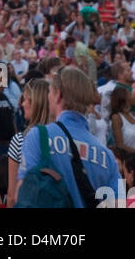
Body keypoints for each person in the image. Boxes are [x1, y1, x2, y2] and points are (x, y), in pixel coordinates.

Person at [17, 66, 117, 208]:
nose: (48, 96)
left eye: (50, 92)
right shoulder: (107, 156)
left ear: (58, 95)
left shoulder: (38, 136)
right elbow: (119, 203)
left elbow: (23, 194)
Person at [6, 77, 50, 207]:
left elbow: (12, 195)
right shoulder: (61, 138)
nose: (22, 104)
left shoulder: (21, 139)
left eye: (25, 99)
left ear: (35, 103)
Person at [108, 84, 135, 150]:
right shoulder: (116, 117)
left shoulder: (132, 115)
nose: (133, 96)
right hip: (128, 158)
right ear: (124, 98)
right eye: (130, 94)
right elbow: (120, 145)